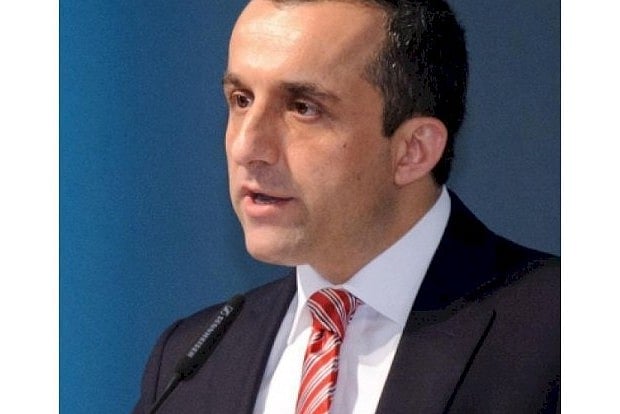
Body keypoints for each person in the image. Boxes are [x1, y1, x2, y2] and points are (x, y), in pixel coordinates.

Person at [133, 0, 560, 413]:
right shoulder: (189, 362)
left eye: (303, 108)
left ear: (413, 150)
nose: (247, 147)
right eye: (241, 100)